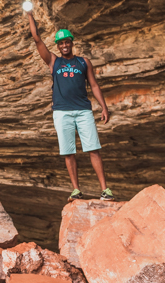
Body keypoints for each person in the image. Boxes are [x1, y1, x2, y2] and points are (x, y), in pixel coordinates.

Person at [25, 13, 113, 200]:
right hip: (62, 112)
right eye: (61, 43)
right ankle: (76, 190)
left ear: (72, 43)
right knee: (68, 151)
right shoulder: (53, 61)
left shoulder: (83, 62)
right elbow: (36, 38)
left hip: (83, 110)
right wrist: (30, 15)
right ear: (58, 46)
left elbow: (94, 85)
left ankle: (105, 190)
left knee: (93, 149)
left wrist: (103, 107)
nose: (64, 45)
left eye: (67, 42)